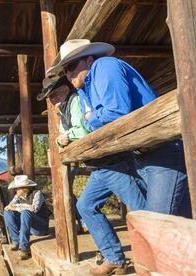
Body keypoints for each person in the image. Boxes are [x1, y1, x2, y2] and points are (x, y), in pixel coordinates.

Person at [49, 39, 161, 275]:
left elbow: (108, 116)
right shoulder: (84, 91)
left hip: (116, 161)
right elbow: (91, 124)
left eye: (71, 67)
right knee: (86, 206)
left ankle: (152, 262)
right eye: (65, 70)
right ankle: (115, 257)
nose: (68, 75)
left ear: (89, 59)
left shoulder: (98, 77)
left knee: (141, 209)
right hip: (100, 166)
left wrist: (90, 120)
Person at [39, 76, 89, 233]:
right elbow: (60, 140)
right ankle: (82, 221)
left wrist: (65, 137)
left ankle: (82, 221)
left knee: (67, 191)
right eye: (50, 97)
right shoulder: (63, 110)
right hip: (78, 157)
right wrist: (63, 139)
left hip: (91, 156)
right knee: (66, 190)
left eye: (54, 95)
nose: (52, 100)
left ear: (65, 90)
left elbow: (81, 131)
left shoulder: (75, 101)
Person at [4, 175, 51, 260]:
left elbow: (34, 209)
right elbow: (8, 207)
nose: (15, 190)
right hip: (29, 226)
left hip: (40, 228)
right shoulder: (17, 196)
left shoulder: (37, 193)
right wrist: (20, 207)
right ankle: (16, 241)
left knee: (25, 212)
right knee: (7, 212)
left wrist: (18, 207)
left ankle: (24, 248)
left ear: (24, 188)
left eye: (17, 188)